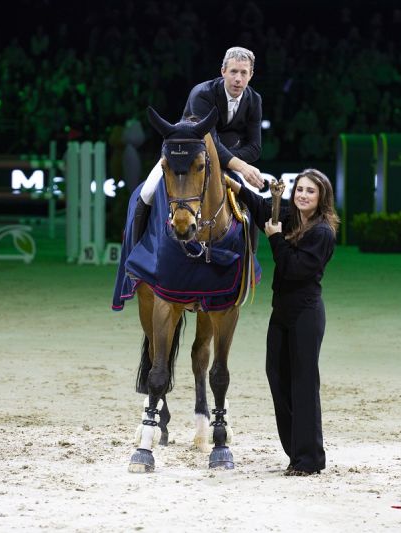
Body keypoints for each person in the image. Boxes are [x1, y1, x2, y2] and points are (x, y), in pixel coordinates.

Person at [226, 169, 339, 476]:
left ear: (322, 197)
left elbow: (292, 268)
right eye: (300, 189)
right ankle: (296, 453)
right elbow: (263, 207)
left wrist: (275, 238)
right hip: (282, 313)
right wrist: (234, 185)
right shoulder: (289, 216)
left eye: (310, 191)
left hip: (306, 314)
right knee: (277, 377)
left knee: (303, 385)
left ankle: (310, 458)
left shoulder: (322, 232)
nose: (303, 195)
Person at [131, 46, 265, 241]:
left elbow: (255, 148)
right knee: (147, 191)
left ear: (251, 75)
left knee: (251, 196)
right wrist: (241, 165)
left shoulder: (254, 100)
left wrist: (229, 161)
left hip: (226, 158)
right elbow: (211, 142)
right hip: (183, 156)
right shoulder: (202, 94)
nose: (238, 78)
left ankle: (248, 259)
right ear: (223, 71)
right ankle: (135, 251)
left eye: (244, 73)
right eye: (233, 71)